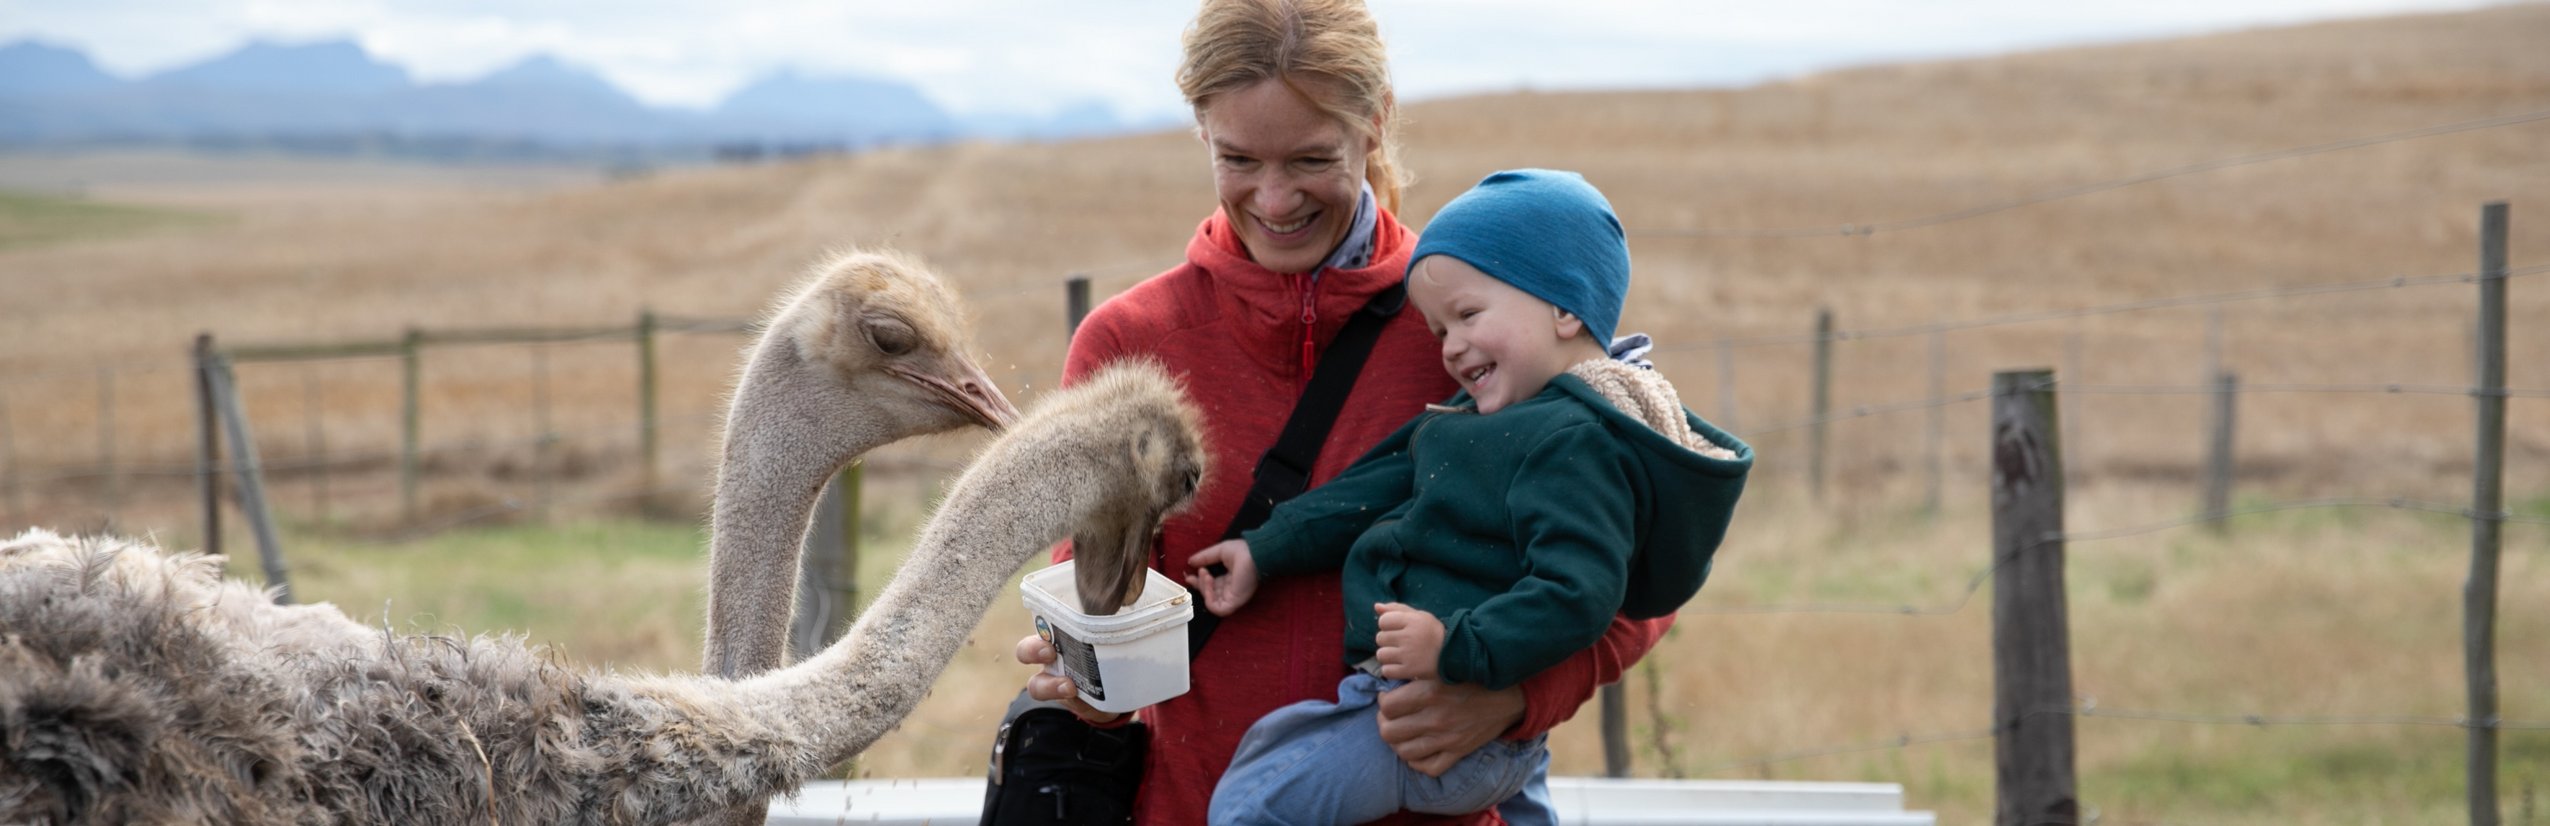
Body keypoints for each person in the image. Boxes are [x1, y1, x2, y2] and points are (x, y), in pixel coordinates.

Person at [1011, 3, 1682, 824]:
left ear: (1377, 122)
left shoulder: (1480, 330)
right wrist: (1087, 684)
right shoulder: (1128, 347)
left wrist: (1515, 699)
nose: (1275, 197)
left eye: (1310, 159)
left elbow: (1637, 591)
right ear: (1200, 134)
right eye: (1238, 159)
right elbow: (1103, 603)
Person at [1183, 169, 1753, 826]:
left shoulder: (1574, 444)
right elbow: (1381, 482)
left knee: (1250, 805)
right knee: (1269, 753)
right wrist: (1266, 549)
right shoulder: (1496, 418)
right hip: (1487, 733)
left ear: (1565, 309)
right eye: (1437, 330)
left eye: (1468, 316)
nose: (1451, 347)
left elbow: (1582, 594)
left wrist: (1453, 645)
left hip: (1434, 718)